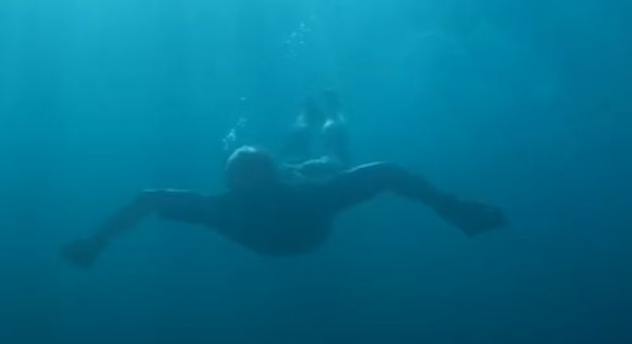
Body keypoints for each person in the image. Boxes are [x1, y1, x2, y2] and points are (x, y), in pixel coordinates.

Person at [61, 92, 506, 267]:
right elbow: (148, 199)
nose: (250, 182)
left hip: (297, 204)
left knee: (322, 159)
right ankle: (322, 114)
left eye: (252, 175)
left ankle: (328, 114)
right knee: (319, 158)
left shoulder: (225, 207)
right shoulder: (233, 204)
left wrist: (96, 243)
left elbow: (148, 200)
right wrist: (453, 208)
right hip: (302, 213)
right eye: (243, 174)